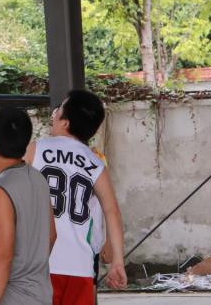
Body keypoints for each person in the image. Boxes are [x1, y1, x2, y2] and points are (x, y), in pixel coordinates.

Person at [26, 89, 127, 304]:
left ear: (65, 122)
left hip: (39, 264)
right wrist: (118, 261)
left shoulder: (35, 150)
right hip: (80, 266)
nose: (54, 113)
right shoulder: (95, 163)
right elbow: (112, 212)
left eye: (59, 109)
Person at [0, 106, 55, 305]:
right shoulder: (38, 178)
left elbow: (4, 256)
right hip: (41, 293)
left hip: (12, 297)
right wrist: (31, 267)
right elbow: (51, 235)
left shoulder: (1, 189)